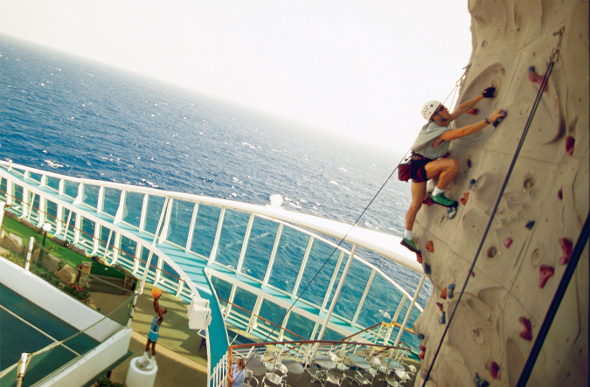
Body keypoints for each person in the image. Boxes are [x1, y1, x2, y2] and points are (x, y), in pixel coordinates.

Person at [401, 87, 507, 253]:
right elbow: (463, 131)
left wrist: (481, 94)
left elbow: (461, 108)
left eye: (443, 106)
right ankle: (437, 194)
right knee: (452, 165)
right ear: (435, 116)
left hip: (419, 165)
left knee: (416, 203)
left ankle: (407, 237)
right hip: (420, 166)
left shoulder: (442, 121)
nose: (446, 109)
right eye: (442, 108)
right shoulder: (439, 132)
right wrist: (489, 119)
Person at [138, 296, 167, 370]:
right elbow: (155, 305)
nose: (161, 310)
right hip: (151, 332)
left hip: (155, 334)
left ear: (164, 313)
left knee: (153, 347)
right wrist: (155, 300)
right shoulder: (157, 314)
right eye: (162, 308)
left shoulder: (161, 318)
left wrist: (157, 300)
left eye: (162, 310)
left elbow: (158, 308)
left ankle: (153, 361)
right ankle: (145, 356)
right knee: (147, 344)